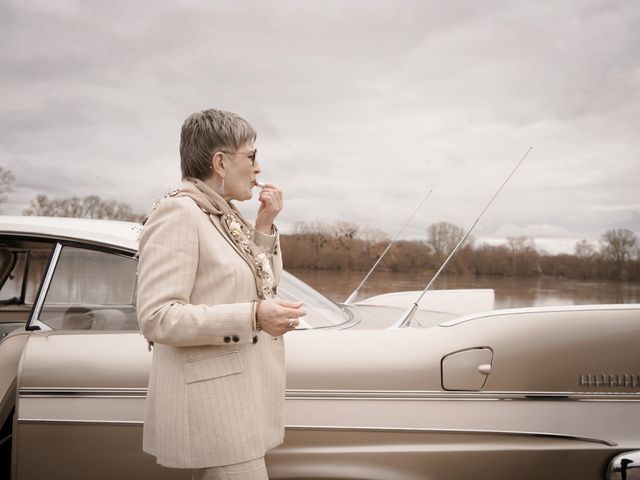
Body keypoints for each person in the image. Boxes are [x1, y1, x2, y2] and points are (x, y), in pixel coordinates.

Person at [136, 108, 305, 480]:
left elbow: (263, 285)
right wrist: (253, 317)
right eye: (252, 156)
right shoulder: (180, 213)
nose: (258, 169)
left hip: (240, 406)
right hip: (216, 413)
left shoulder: (222, 215)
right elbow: (157, 317)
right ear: (221, 162)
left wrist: (264, 226)